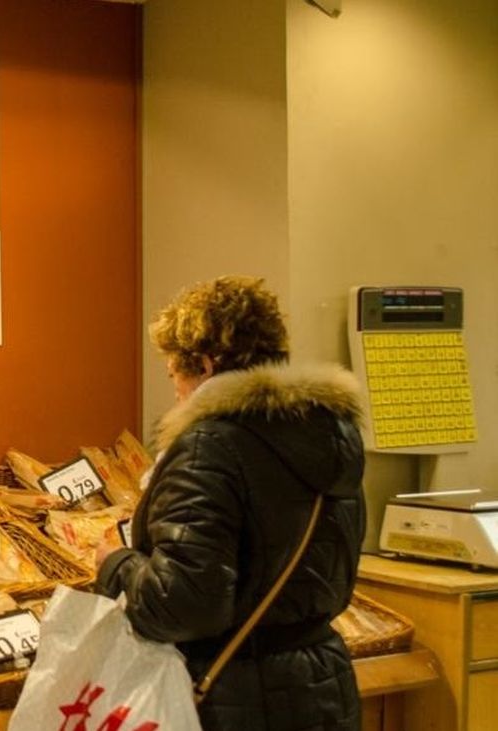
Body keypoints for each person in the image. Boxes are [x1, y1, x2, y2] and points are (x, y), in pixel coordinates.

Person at [96, 276, 366, 731]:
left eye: (174, 374)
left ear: (204, 365)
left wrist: (116, 563)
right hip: (323, 683)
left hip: (237, 695)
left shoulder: (210, 447)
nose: (175, 391)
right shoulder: (330, 435)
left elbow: (185, 606)